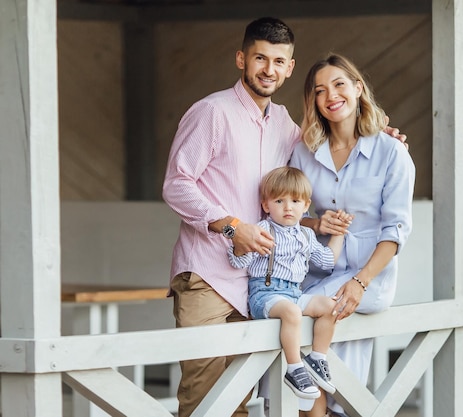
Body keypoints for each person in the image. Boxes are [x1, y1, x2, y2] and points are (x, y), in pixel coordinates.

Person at [163, 16, 405, 417]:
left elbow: (315, 160)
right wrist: (231, 226)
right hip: (208, 275)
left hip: (260, 283)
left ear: (289, 68)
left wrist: (383, 139)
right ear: (241, 59)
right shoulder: (211, 112)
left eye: (279, 61)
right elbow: (176, 184)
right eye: (260, 58)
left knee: (240, 396)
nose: (268, 70)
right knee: (205, 395)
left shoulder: (286, 128)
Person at [289, 53, 416, 417]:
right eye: (320, 90)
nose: (331, 95)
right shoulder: (303, 152)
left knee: (299, 327)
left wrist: (360, 282)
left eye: (340, 84)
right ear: (313, 101)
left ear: (358, 88)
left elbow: (396, 230)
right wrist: (315, 224)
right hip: (316, 270)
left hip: (367, 278)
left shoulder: (391, 152)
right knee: (290, 334)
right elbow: (287, 213)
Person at [227, 166, 352, 404]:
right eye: (279, 200)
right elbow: (238, 261)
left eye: (295, 201)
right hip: (265, 294)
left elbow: (326, 261)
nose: (288, 207)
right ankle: (295, 369)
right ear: (266, 205)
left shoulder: (306, 234)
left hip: (294, 293)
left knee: (330, 306)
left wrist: (340, 233)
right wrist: (239, 244)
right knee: (292, 312)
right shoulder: (264, 229)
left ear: (306, 206)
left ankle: (317, 358)